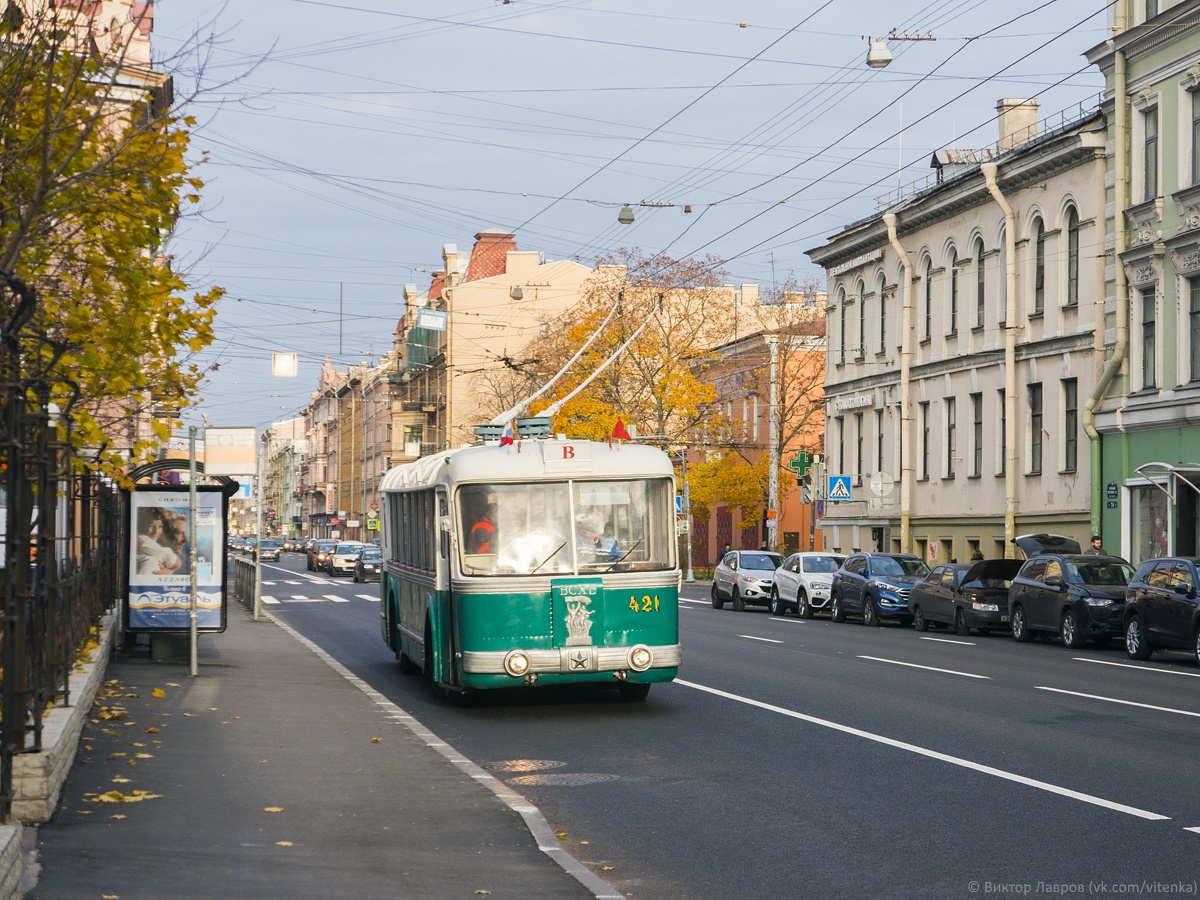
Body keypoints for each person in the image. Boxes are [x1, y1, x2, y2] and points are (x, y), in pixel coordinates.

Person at [136, 508, 180, 576]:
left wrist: (168, 571)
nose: (156, 532)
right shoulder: (142, 540)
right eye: (151, 526)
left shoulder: (154, 543)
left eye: (160, 526)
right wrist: (169, 570)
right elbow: (176, 563)